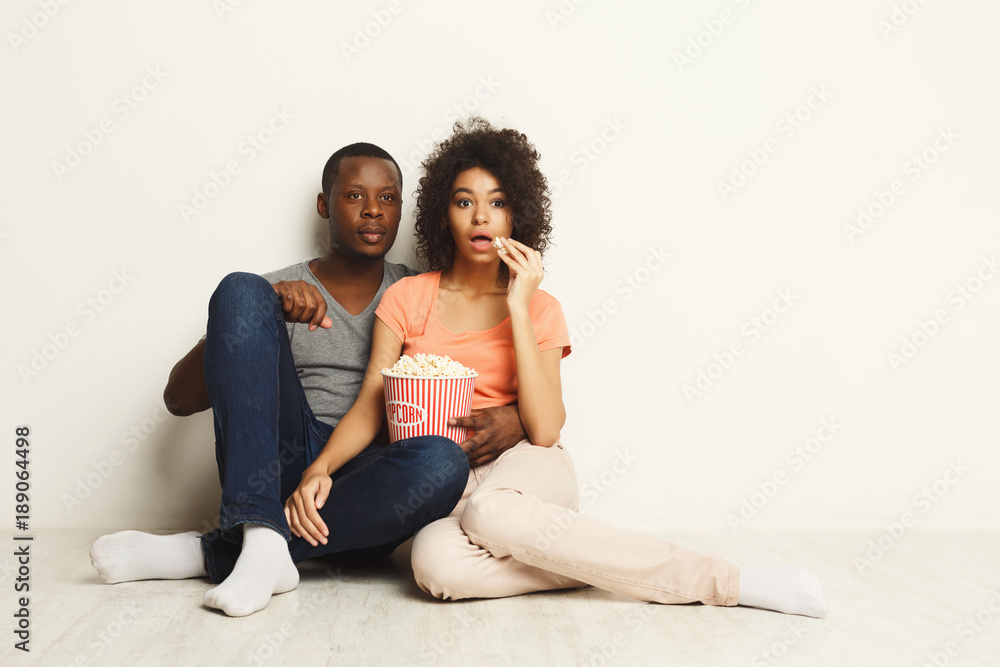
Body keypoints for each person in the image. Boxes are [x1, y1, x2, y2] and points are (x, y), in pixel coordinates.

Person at [286, 119, 829, 618]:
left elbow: (545, 429)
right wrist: (320, 469)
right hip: (448, 478)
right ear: (441, 214)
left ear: (517, 214)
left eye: (497, 202)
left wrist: (519, 306)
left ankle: (726, 581)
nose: (480, 217)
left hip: (528, 467)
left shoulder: (541, 308)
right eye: (464, 201)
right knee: (433, 566)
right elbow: (372, 401)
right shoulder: (407, 297)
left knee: (491, 514)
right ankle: (592, 559)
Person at [89, 142, 527, 617]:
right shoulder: (277, 292)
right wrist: (268, 309)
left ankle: (223, 552)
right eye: (354, 195)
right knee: (241, 287)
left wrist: (519, 418)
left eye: (387, 198)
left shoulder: (418, 292)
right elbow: (178, 399)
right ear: (324, 204)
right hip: (281, 465)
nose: (373, 210)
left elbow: (465, 385)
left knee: (442, 461)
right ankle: (259, 533)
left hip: (366, 489)